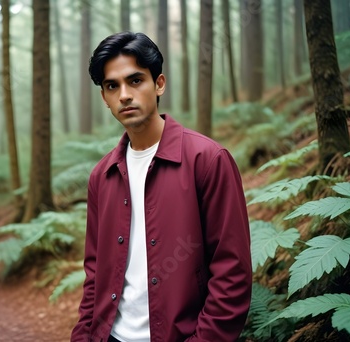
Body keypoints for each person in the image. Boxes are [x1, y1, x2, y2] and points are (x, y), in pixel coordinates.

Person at [71, 31, 252, 342]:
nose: (124, 95)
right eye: (112, 86)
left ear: (159, 84)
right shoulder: (102, 176)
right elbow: (95, 272)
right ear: (104, 97)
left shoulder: (207, 160)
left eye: (136, 80)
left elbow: (232, 273)